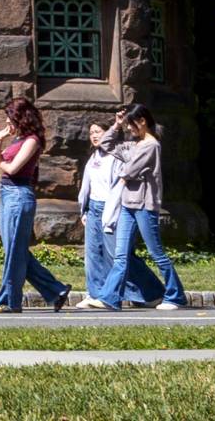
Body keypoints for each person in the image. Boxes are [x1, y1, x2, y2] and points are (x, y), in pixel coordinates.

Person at [91, 104, 187, 310]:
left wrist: (124, 170)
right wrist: (116, 125)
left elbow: (129, 170)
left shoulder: (151, 145)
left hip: (145, 206)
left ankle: (176, 295)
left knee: (157, 252)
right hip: (127, 205)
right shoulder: (135, 144)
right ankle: (110, 297)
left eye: (131, 125)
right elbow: (106, 144)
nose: (129, 130)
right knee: (121, 255)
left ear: (142, 121)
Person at [0, 96, 72, 313]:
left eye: (10, 118)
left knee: (14, 252)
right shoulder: (16, 140)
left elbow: (13, 168)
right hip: (7, 195)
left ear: (21, 117)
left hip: (19, 195)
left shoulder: (33, 140)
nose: (8, 122)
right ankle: (56, 290)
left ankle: (9, 300)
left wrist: (2, 162)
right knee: (14, 251)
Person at [77, 120, 163, 310]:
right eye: (91, 132)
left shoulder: (117, 155)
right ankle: (96, 293)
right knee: (93, 254)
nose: (94, 135)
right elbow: (86, 186)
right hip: (93, 208)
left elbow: (118, 187)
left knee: (117, 255)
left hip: (112, 207)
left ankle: (153, 292)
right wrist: (84, 209)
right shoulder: (93, 158)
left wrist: (114, 210)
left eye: (98, 131)